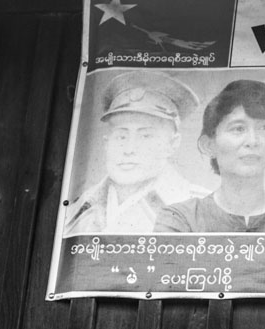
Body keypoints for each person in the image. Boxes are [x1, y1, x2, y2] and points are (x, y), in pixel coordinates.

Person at [63, 70, 210, 235]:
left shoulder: (203, 210)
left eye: (145, 136)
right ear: (106, 143)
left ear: (173, 144)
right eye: (121, 136)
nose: (129, 149)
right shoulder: (74, 211)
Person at [154, 79, 265, 234]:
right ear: (209, 145)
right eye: (238, 129)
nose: (252, 141)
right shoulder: (181, 219)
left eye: (264, 127)